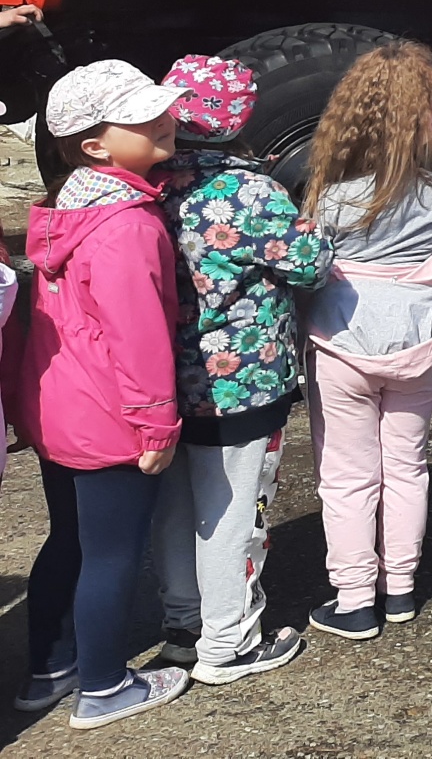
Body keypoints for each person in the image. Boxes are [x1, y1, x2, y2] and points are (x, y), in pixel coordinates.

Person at [10, 61, 189, 728]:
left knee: (69, 542)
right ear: (95, 144)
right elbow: (138, 337)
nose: (165, 119)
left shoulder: (69, 209)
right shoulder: (129, 225)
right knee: (113, 554)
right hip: (112, 419)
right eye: (143, 117)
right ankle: (107, 685)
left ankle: (49, 668)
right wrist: (157, 427)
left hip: (61, 410)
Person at [151, 56, 324, 685]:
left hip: (159, 379)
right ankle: (231, 641)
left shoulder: (148, 186)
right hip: (243, 381)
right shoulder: (251, 193)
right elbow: (309, 264)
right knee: (233, 510)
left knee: (173, 507)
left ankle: (182, 625)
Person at [301, 42, 432, 642]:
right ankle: (400, 588)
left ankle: (354, 600)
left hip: (342, 339)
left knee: (346, 474)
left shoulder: (330, 197)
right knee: (407, 466)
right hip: (420, 340)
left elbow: (310, 266)